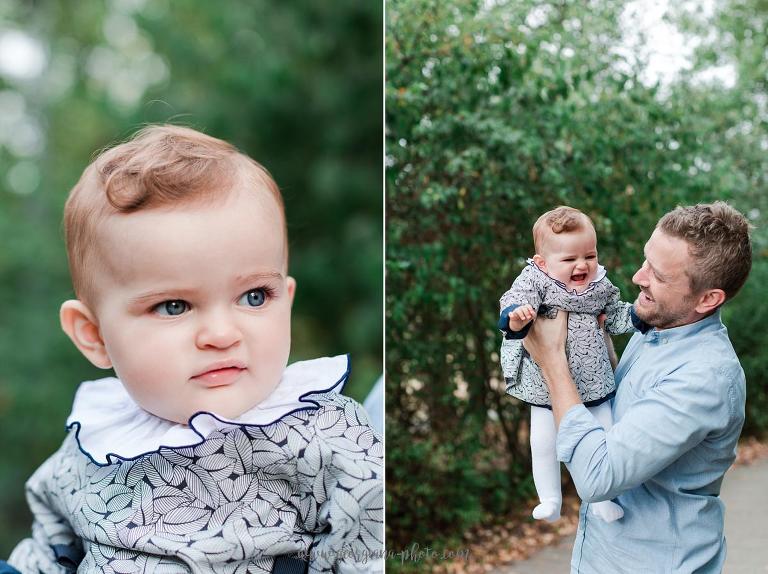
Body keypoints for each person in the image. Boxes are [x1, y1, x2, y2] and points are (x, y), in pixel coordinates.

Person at [1, 125, 383, 574]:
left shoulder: (326, 434)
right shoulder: (91, 444)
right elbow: (47, 554)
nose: (222, 334)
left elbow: (368, 552)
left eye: (255, 296)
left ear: (288, 298)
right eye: (174, 306)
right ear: (94, 335)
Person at [522, 202, 751, 573]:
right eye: (646, 260)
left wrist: (552, 361)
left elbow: (598, 477)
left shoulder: (703, 377)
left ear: (708, 299)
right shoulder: (659, 327)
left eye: (658, 275)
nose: (638, 278)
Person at [497, 206, 639, 523]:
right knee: (543, 442)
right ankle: (549, 498)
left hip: (593, 380)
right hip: (546, 386)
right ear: (542, 263)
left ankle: (602, 499)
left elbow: (614, 315)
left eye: (589, 255)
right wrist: (517, 317)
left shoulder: (600, 285)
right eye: (569, 259)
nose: (582, 265)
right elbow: (516, 300)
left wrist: (638, 316)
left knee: (605, 436)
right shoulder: (535, 280)